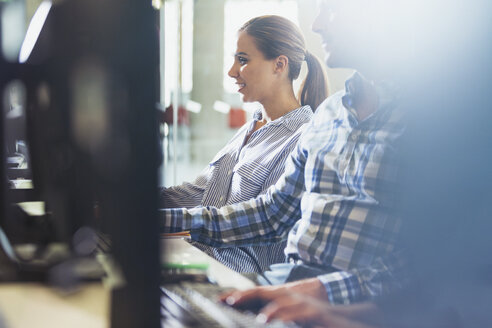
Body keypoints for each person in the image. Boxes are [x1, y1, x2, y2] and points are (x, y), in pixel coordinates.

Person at [162, 0, 410, 304]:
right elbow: (271, 214)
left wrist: (321, 290)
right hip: (288, 278)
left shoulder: (432, 120)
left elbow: (437, 261)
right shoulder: (330, 114)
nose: (317, 24)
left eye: (330, 8)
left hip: (339, 301)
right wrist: (160, 219)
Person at [160, 15, 329, 272]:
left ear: (279, 65)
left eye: (243, 60)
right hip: (200, 264)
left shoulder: (303, 138)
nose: (231, 71)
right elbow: (197, 194)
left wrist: (155, 219)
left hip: (239, 281)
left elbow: (261, 221)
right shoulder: (249, 129)